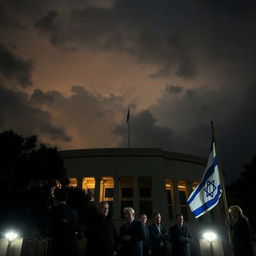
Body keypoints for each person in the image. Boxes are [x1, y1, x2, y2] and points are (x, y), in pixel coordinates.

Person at [48, 187, 79, 256]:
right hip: (72, 247)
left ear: (55, 199)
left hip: (57, 247)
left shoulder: (53, 212)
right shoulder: (74, 212)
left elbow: (50, 228)